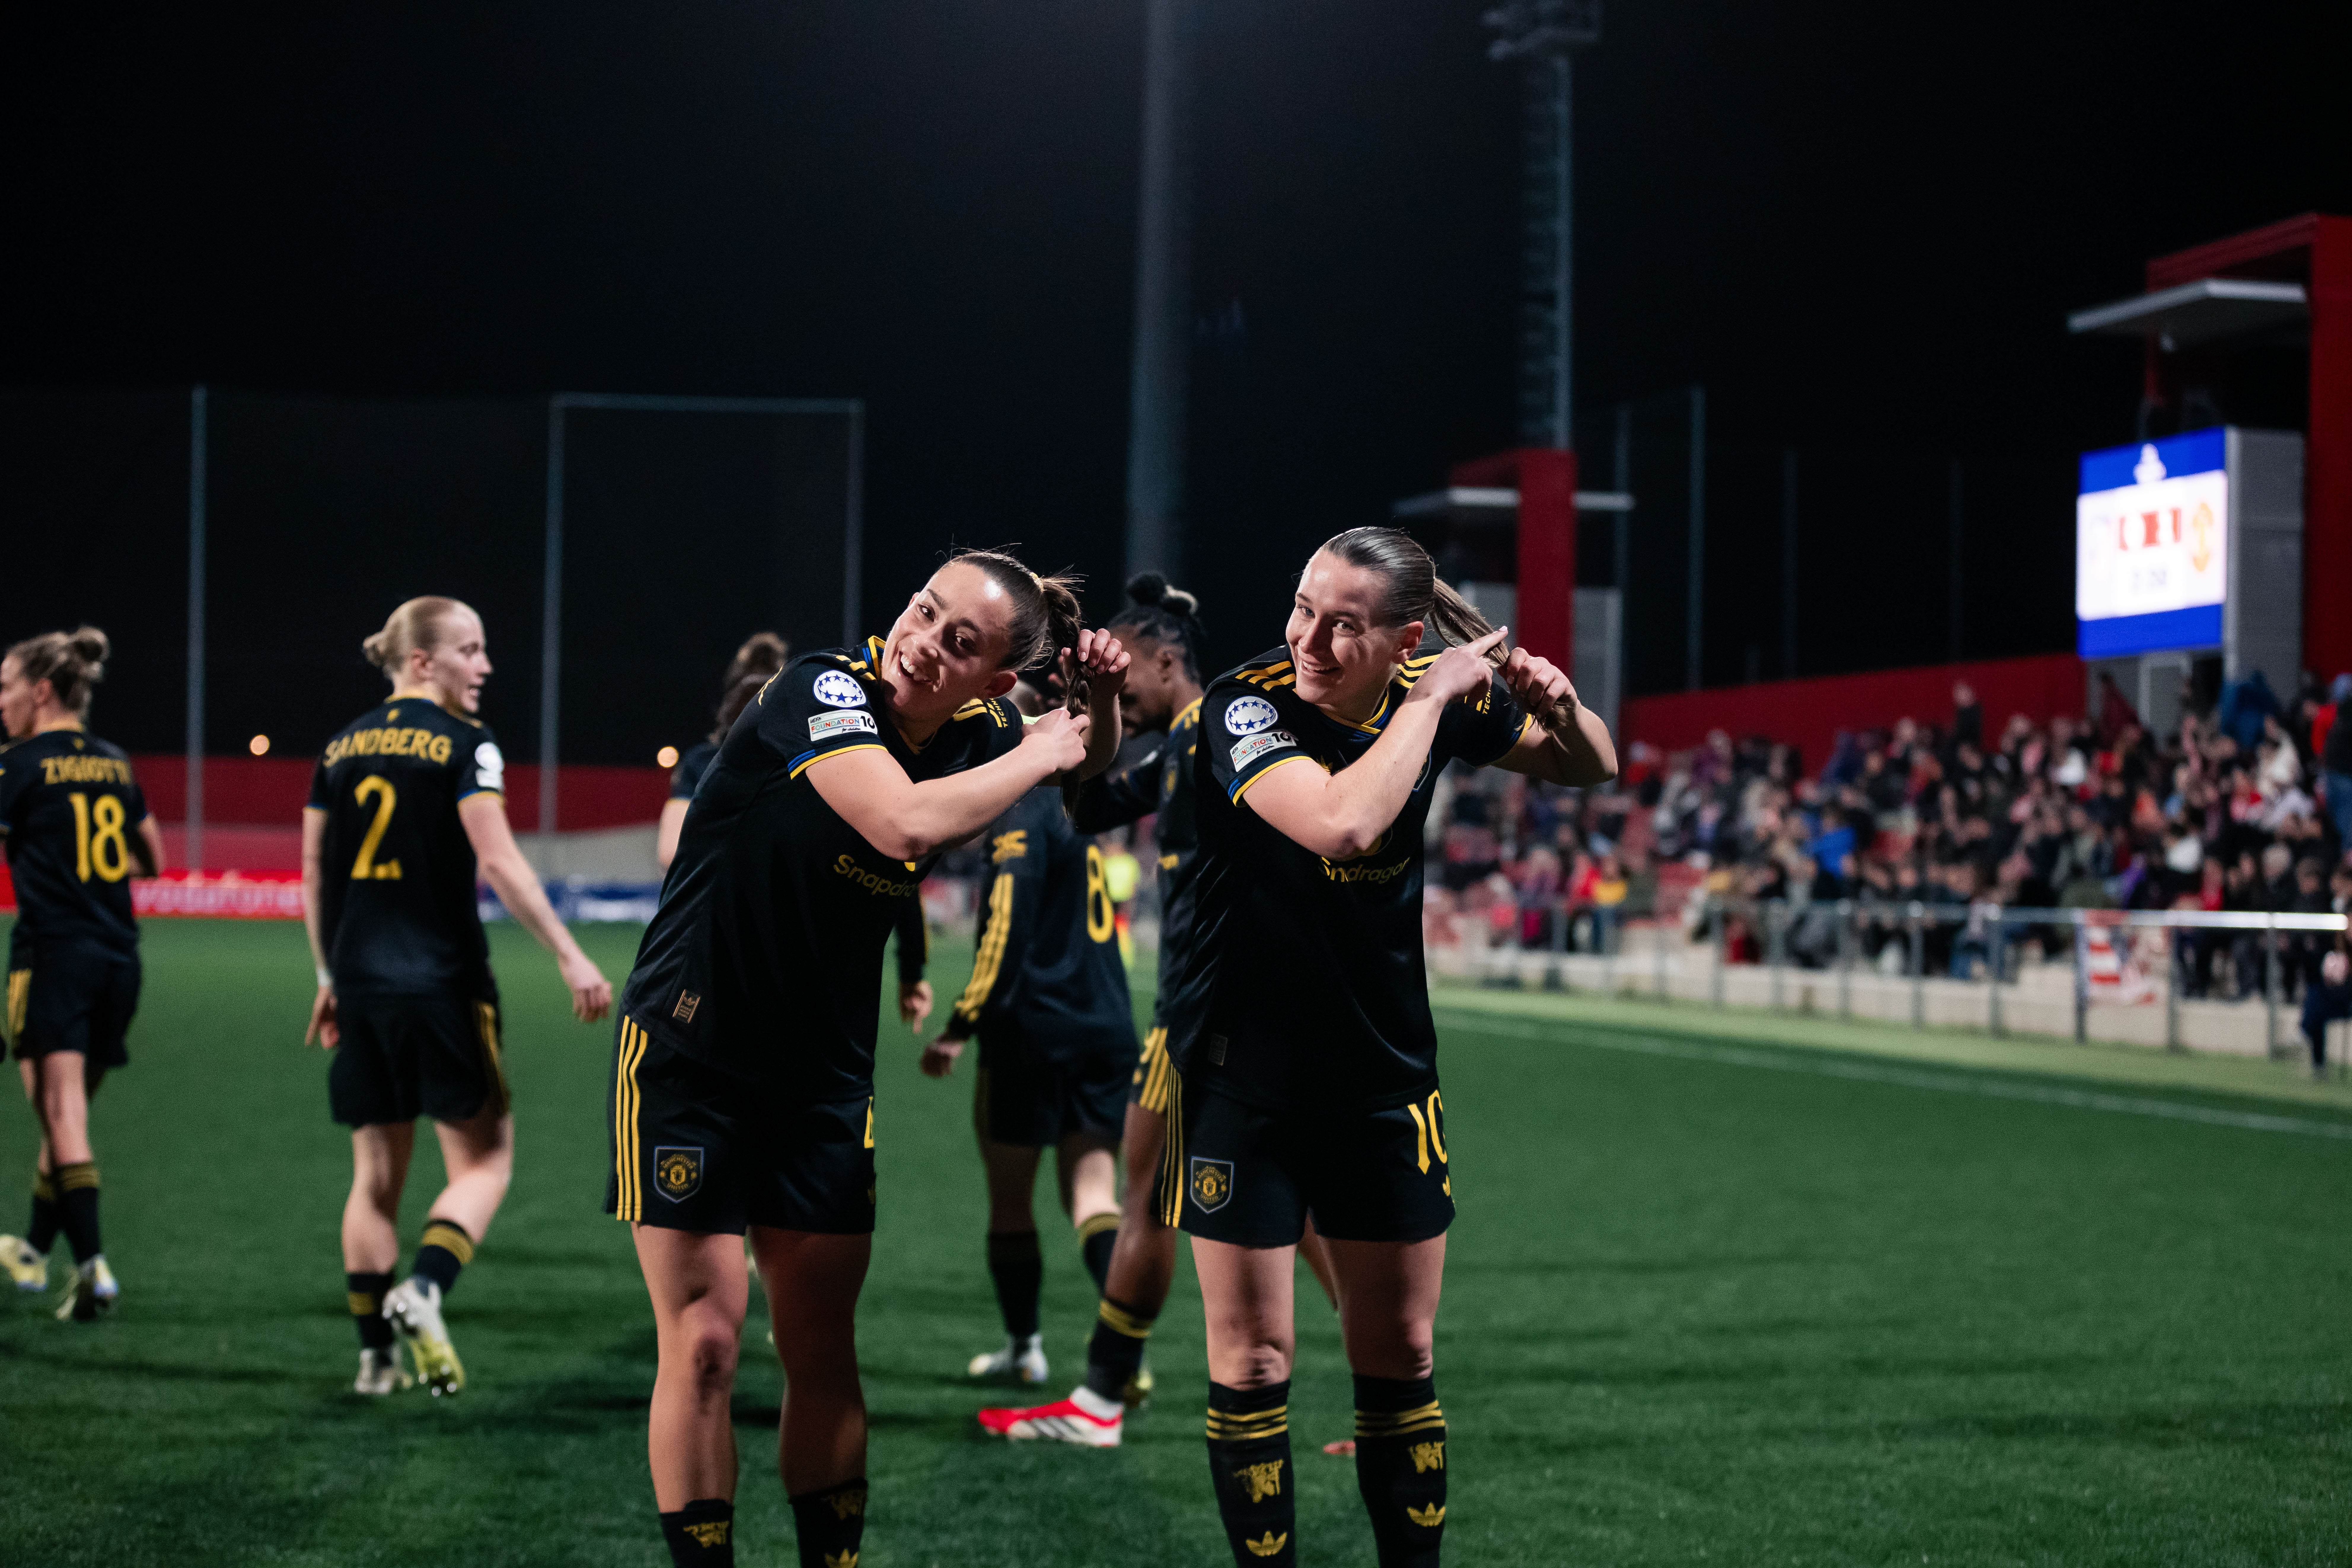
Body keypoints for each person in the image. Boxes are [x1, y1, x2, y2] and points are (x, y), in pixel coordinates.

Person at [607, 549, 1127, 1568]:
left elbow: (1089, 760)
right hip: (690, 1049)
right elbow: (900, 819)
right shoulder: (823, 687)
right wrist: (1047, 743)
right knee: (707, 1343)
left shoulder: (977, 729)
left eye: (959, 642)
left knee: (820, 1346)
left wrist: (1098, 707)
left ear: (994, 682)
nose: (922, 642)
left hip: (823, 1079)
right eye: (923, 610)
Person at [1160, 527, 1614, 1567]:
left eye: (1343, 623)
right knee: (1255, 1357)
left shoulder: (1430, 692)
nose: (1309, 637)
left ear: (1403, 634)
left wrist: (1555, 703)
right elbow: (1340, 825)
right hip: (1243, 1080)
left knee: (1402, 1353)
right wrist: (1426, 701)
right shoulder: (1248, 705)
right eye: (1301, 606)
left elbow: (1592, 764)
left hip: (1383, 1078)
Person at [977, 573, 1346, 1449]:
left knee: (1147, 1192)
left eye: (1125, 670)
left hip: (1211, 1015)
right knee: (1277, 1207)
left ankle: (1100, 1400)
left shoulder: (1223, 720)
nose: (1115, 686)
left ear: (1166, 656)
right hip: (1226, 1011)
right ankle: (1391, 1375)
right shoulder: (1182, 741)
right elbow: (1090, 801)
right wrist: (1085, 714)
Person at [304, 597, 613, 1395]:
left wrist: (328, 977)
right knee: (486, 1164)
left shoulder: (339, 748)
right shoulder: (467, 745)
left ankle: (374, 1361)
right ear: (422, 662)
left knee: (374, 1178)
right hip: (442, 985)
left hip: (361, 985)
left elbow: (315, 872)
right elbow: (501, 862)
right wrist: (571, 956)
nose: (485, 667)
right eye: (470, 651)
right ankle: (426, 1288)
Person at [922, 676, 1135, 1396]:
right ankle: (1121, 1357)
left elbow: (1005, 925)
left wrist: (961, 1024)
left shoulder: (1022, 806)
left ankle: (1025, 1348)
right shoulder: (1083, 802)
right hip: (1107, 1024)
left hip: (1030, 1032)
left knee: (1011, 1198)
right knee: (1094, 1193)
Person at [0, 628, 163, 1320]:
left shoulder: (18, 765)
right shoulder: (115, 762)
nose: (1, 700)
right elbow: (149, 858)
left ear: (40, 692)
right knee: (67, 1118)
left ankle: (94, 1268)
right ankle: (33, 1251)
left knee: (59, 1112)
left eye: (6, 685)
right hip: (120, 959)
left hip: (55, 957)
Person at [658, 633, 790, 874]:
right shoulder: (700, 762)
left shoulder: (796, 764)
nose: (754, 711)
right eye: (748, 700)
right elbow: (670, 852)